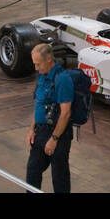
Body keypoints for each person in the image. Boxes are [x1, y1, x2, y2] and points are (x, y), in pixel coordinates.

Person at [26, 42, 75, 193]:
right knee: (32, 170)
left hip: (58, 134)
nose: (36, 68)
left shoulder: (62, 79)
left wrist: (54, 139)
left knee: (59, 176)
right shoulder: (42, 76)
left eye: (38, 64)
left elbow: (65, 113)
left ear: (48, 59)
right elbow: (39, 104)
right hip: (41, 131)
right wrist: (32, 129)